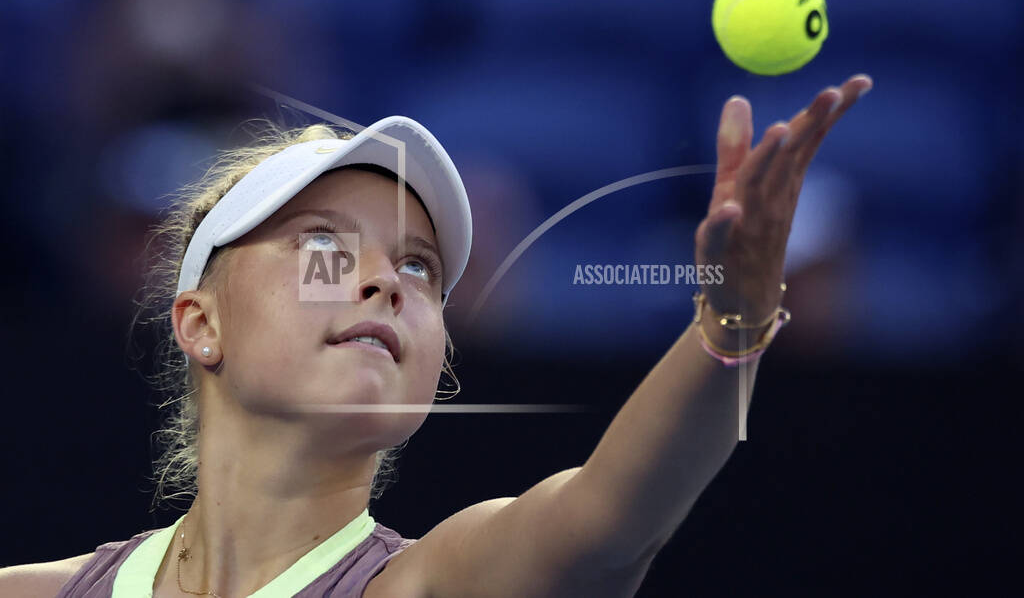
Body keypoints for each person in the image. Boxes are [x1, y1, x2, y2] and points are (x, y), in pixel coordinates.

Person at [0, 73, 873, 597]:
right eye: (324, 247)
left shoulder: (442, 583)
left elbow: (610, 519)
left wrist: (733, 317)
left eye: (419, 267)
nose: (386, 279)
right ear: (201, 322)